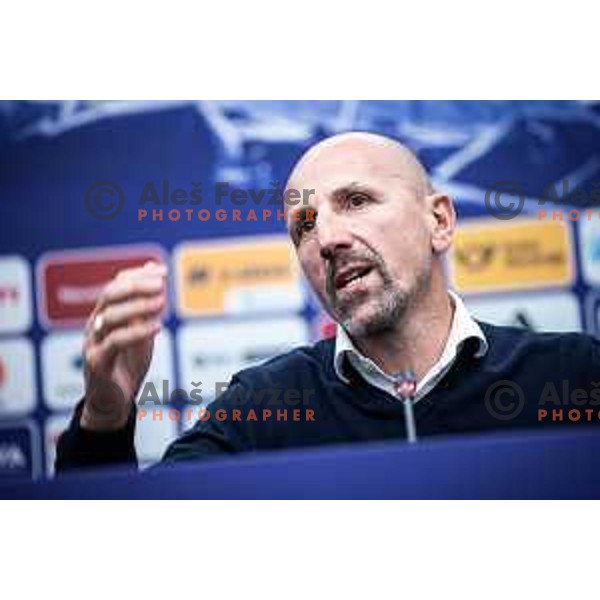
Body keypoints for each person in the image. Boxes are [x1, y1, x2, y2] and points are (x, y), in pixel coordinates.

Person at [56, 132, 600, 472]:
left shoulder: (574, 374)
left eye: (357, 201)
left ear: (439, 220)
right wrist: (105, 416)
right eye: (304, 226)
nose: (328, 239)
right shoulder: (261, 409)